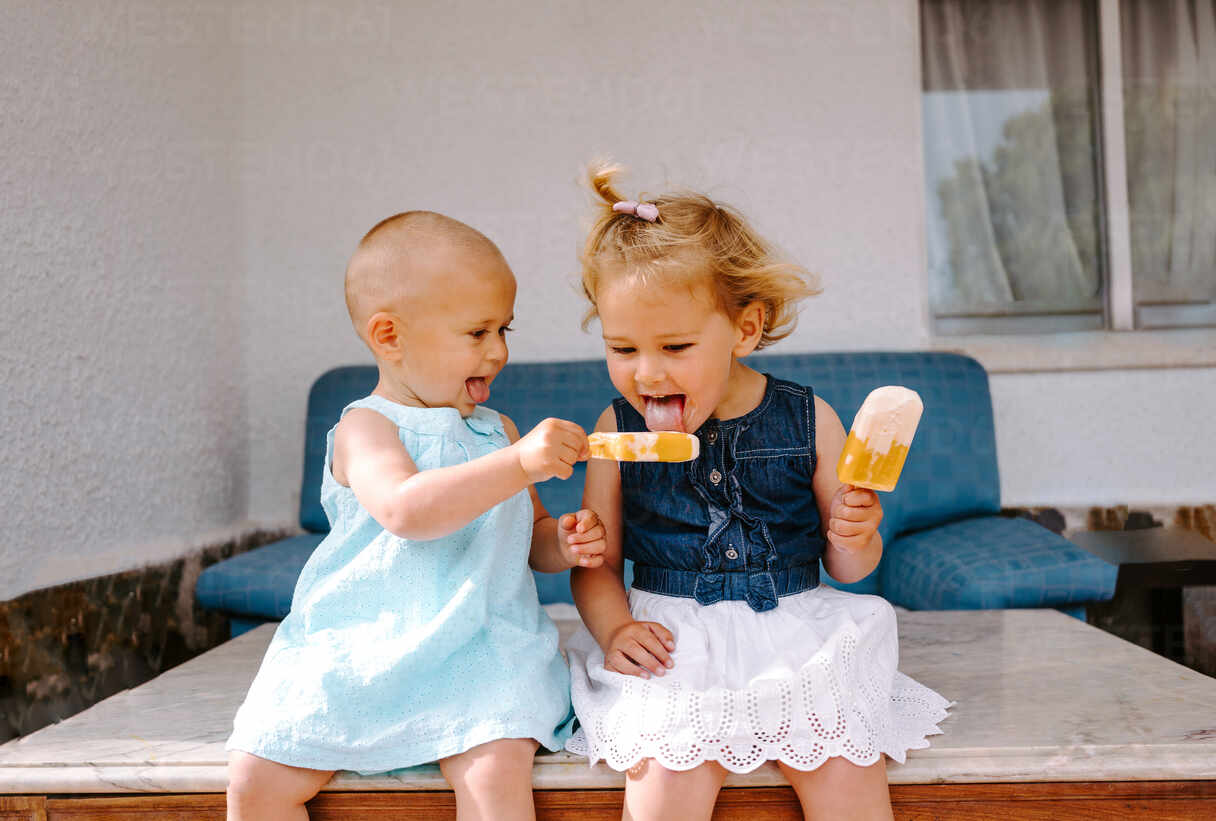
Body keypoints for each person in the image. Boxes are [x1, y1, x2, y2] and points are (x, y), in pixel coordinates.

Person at [564, 164, 952, 821]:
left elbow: (851, 568)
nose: (647, 371)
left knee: (846, 774)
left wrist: (857, 533)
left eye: (675, 345)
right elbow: (595, 565)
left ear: (744, 329)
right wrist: (614, 628)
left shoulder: (810, 418)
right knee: (662, 787)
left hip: (797, 632)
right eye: (622, 347)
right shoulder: (615, 429)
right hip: (671, 638)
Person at [226, 211, 606, 821]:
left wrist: (560, 542)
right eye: (477, 332)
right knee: (255, 778)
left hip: (481, 650)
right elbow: (407, 509)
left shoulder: (496, 431)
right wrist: (520, 463)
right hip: (366, 643)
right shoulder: (364, 427)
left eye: (504, 330)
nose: (499, 351)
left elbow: (528, 539)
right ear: (389, 336)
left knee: (494, 774)